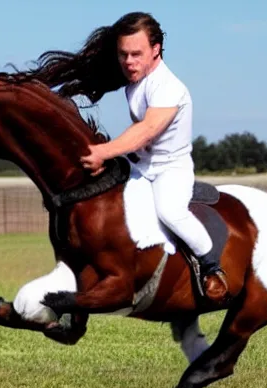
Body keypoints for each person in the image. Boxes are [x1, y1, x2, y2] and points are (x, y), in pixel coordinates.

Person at [30, 12, 227, 302]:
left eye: (136, 54)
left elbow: (147, 130)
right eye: (123, 55)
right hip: (141, 165)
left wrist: (103, 151)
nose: (128, 62)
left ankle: (212, 268)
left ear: (156, 49)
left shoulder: (169, 87)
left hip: (170, 170)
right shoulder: (136, 78)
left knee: (171, 212)